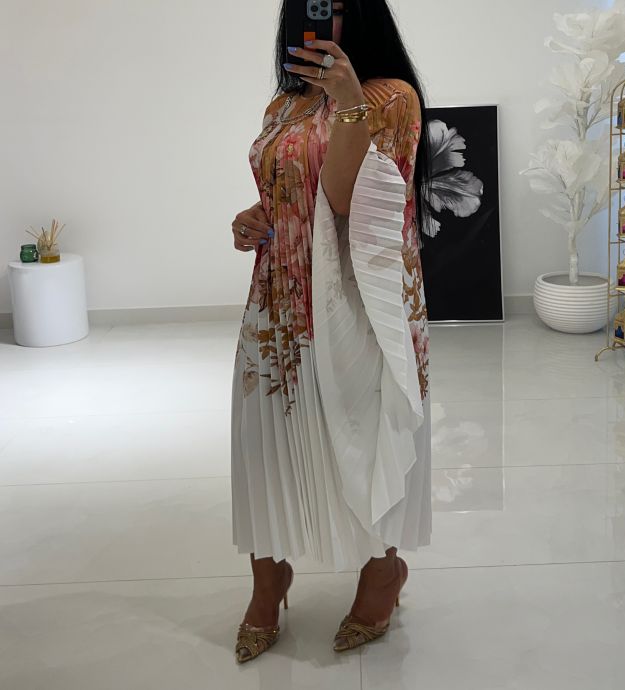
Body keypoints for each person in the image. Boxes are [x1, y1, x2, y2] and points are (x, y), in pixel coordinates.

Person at [229, 0, 433, 663]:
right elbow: (286, 188)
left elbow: (348, 200)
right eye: (309, 6)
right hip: (280, 299)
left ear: (362, 16)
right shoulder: (283, 106)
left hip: (358, 302)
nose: (321, 22)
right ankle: (268, 581)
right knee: (268, 440)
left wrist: (346, 103)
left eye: (335, 7)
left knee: (363, 433)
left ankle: (382, 572)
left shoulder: (389, 98)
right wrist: (252, 218)